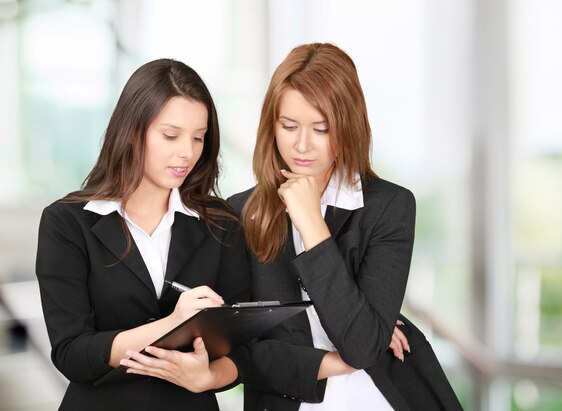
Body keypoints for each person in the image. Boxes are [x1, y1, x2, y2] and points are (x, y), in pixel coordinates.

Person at [124, 44, 462, 410]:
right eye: (289, 126)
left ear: (348, 127)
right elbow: (240, 350)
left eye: (321, 129)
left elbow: (362, 346)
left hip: (382, 397)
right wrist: (336, 355)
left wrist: (312, 224)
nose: (302, 145)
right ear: (272, 125)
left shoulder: (388, 207)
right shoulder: (237, 214)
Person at [35, 58, 250, 410]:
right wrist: (174, 324)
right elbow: (72, 353)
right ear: (133, 131)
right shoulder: (67, 223)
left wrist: (209, 377)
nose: (188, 152)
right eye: (171, 135)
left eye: (198, 138)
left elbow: (243, 345)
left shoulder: (220, 223)